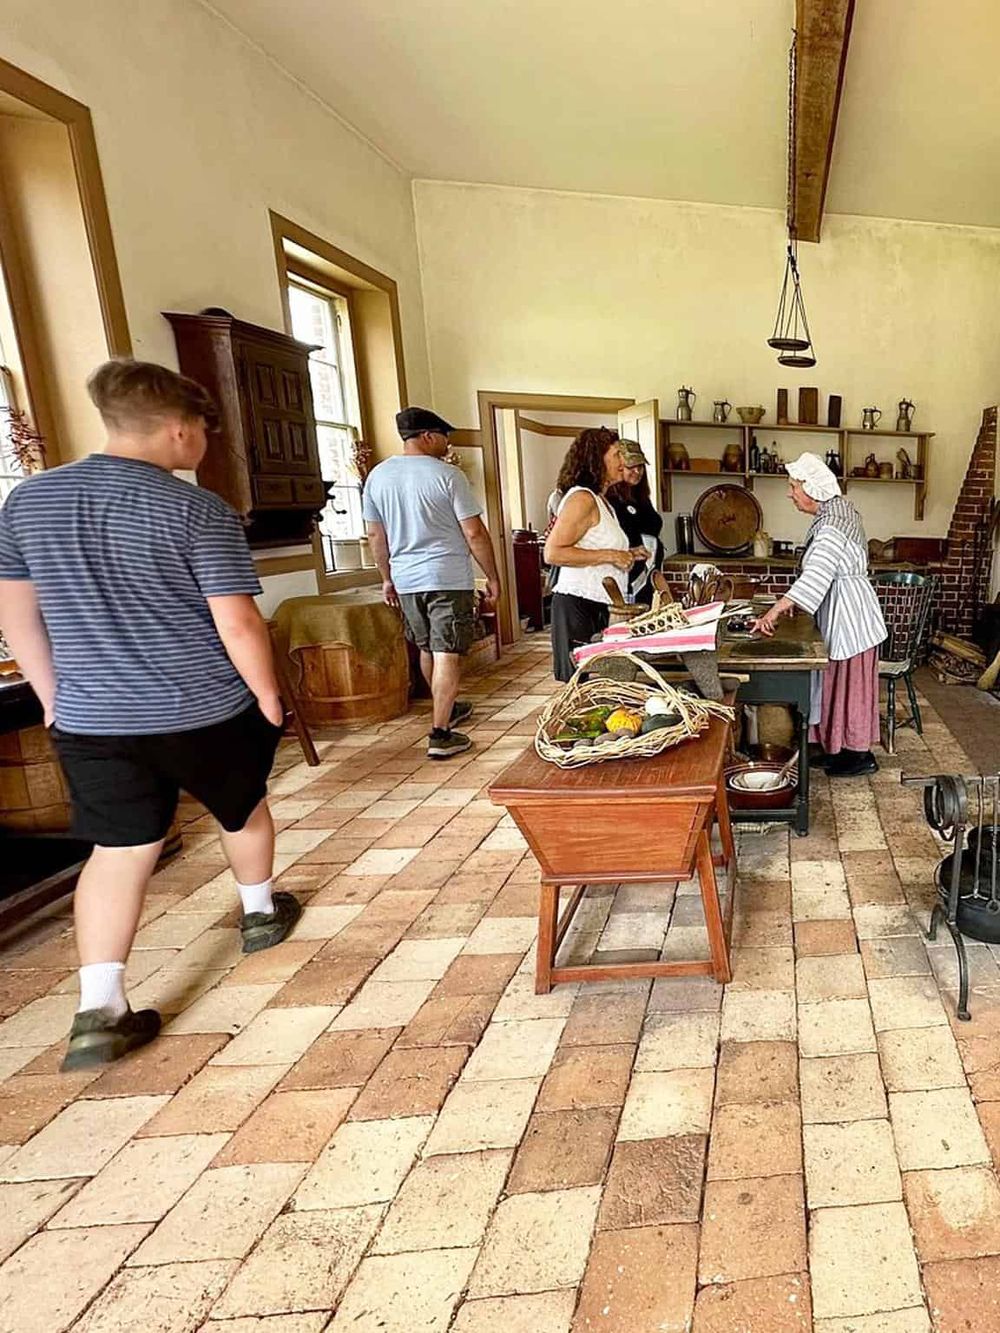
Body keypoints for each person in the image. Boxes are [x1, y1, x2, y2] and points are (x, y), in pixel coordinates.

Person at [0, 359, 300, 1071]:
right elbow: (237, 622)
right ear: (175, 429)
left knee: (120, 847)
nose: (202, 443)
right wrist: (266, 696)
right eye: (201, 430)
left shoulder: (28, 502)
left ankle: (99, 1007)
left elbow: (17, 613)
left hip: (93, 716)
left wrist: (52, 696)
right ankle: (259, 913)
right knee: (241, 807)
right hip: (202, 706)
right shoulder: (198, 510)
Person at [364, 406, 501, 760]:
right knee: (447, 652)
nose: (447, 442)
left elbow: (375, 535)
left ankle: (447, 707)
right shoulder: (448, 476)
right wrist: (493, 577)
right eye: (444, 436)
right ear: (427, 436)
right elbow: (474, 532)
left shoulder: (378, 477)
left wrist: (387, 578)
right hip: (445, 577)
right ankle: (441, 733)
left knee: (427, 648)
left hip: (407, 579)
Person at [752, 452, 887, 778]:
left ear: (811, 489)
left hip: (851, 616)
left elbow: (817, 576)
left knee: (849, 685)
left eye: (793, 486)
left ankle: (858, 755)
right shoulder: (835, 513)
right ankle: (838, 749)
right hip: (844, 607)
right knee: (836, 683)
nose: (789, 493)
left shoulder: (833, 524)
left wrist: (776, 609)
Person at [543, 427, 639, 681]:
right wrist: (611, 555)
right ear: (597, 458)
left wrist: (626, 554)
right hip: (577, 606)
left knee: (597, 687)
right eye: (617, 455)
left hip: (596, 604)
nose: (623, 462)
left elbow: (591, 545)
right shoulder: (582, 498)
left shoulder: (602, 500)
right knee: (580, 687)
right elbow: (552, 553)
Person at [606, 439, 663, 605]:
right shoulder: (611, 499)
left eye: (640, 467)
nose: (637, 471)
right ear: (619, 466)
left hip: (647, 575)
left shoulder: (641, 496)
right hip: (627, 577)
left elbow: (653, 525)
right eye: (632, 467)